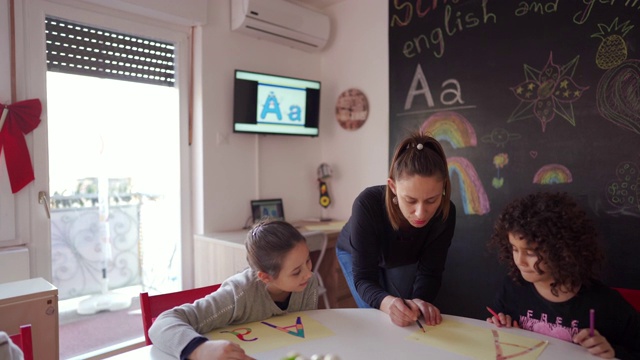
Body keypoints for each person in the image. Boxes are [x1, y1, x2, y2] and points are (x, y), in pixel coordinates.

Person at [486, 191, 640, 359]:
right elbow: (496, 325)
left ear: (562, 251)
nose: (520, 261)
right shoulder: (512, 287)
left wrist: (612, 352)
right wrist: (500, 323)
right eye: (514, 249)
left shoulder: (606, 304)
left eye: (530, 252)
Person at [149, 219, 319, 360]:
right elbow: (162, 323)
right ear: (265, 277)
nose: (308, 274)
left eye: (308, 261)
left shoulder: (307, 283)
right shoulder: (239, 293)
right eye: (296, 271)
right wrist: (200, 349)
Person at [336, 130, 456, 329]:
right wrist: (387, 303)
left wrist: (419, 301)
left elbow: (431, 272)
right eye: (410, 200)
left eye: (431, 200)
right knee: (379, 319)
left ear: (443, 188)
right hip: (353, 253)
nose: (420, 213)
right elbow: (364, 278)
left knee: (409, 316)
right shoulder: (367, 203)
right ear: (393, 187)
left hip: (400, 258)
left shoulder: (446, 212)